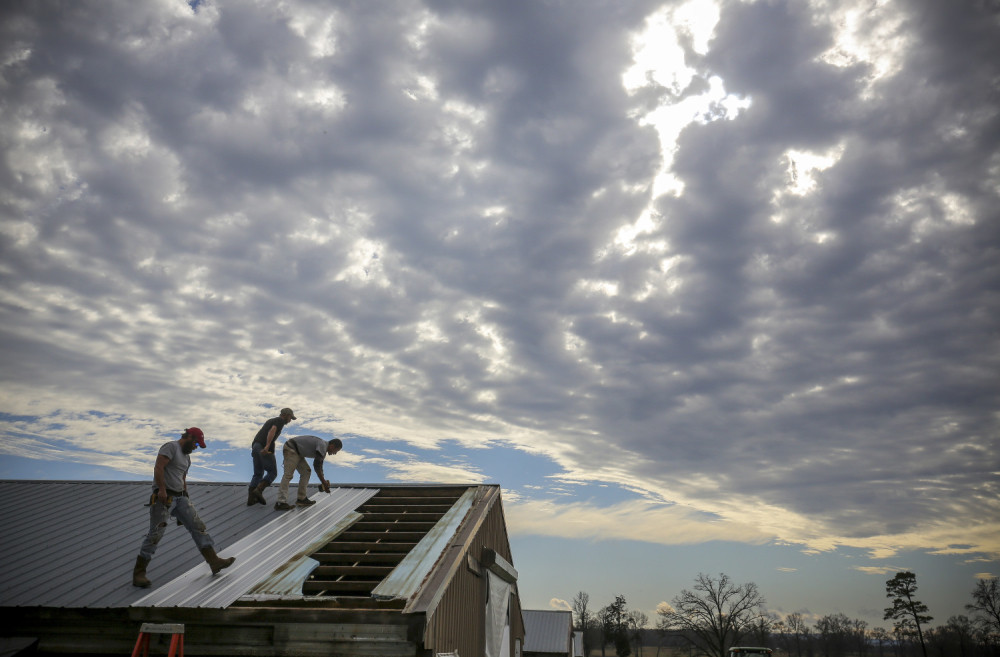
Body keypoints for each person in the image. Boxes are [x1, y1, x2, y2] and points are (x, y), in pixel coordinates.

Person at [132, 427, 235, 588]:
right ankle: (139, 574)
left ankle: (214, 561)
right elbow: (159, 467)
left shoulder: (187, 458)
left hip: (181, 497)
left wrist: (186, 496)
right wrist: (162, 489)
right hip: (164, 498)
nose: (195, 447)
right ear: (188, 437)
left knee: (198, 527)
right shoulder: (171, 447)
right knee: (155, 533)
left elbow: (182, 478)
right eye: (195, 443)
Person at [274, 436, 342, 511]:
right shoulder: (323, 445)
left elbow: (320, 467)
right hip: (291, 448)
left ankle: (301, 499)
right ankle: (281, 502)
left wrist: (324, 482)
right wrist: (323, 482)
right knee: (288, 475)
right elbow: (316, 466)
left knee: (306, 472)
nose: (334, 453)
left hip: (298, 452)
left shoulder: (323, 448)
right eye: (336, 451)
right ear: (332, 446)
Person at [247, 407, 296, 506]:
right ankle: (258, 490)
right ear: (286, 415)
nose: (290, 421)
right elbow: (272, 430)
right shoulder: (280, 420)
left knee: (258, 473)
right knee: (273, 472)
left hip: (256, 447)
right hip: (263, 447)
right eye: (290, 418)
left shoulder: (270, 420)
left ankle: (251, 499)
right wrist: (267, 446)